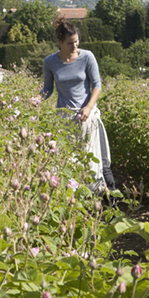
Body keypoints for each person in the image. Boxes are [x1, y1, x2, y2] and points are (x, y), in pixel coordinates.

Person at [40, 20, 117, 192]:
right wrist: (35, 100)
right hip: (66, 120)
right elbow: (47, 89)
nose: (74, 46)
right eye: (70, 43)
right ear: (59, 42)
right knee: (71, 162)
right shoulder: (50, 62)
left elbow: (97, 85)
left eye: (76, 41)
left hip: (88, 117)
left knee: (98, 161)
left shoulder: (87, 57)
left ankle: (111, 202)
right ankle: (80, 203)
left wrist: (89, 107)